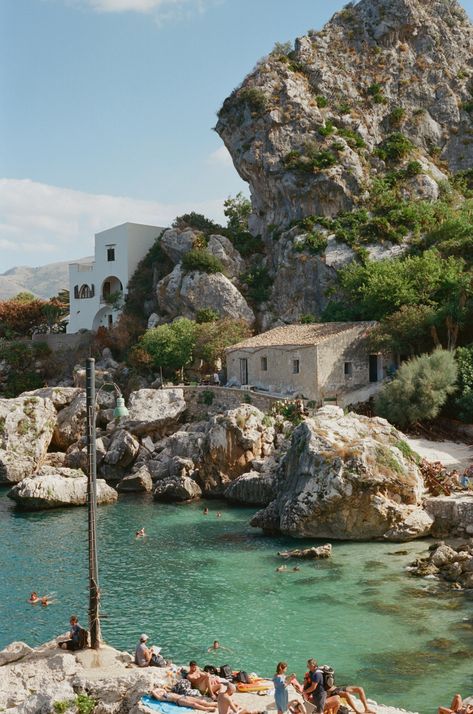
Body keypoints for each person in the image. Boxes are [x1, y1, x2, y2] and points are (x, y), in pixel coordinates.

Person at [150, 687, 217, 711]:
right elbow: (153, 691)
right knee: (194, 704)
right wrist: (155, 691)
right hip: (179, 700)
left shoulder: (165, 692)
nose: (160, 691)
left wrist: (158, 690)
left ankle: (211, 705)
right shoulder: (161, 698)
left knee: (200, 701)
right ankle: (207, 709)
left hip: (183, 696)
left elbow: (161, 689)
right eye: (158, 692)